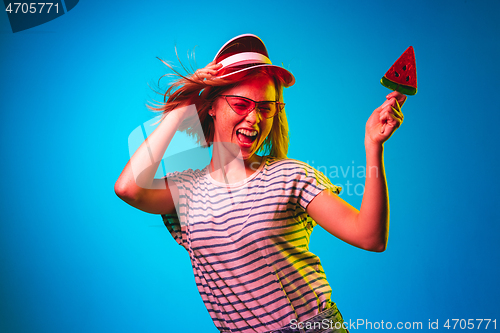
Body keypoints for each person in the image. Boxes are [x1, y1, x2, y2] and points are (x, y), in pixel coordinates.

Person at [114, 34, 406, 333]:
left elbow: (370, 237)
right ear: (212, 105)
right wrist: (184, 104)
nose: (254, 119)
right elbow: (128, 188)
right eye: (241, 104)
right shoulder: (186, 190)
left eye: (265, 108)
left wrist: (373, 145)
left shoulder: (290, 176)